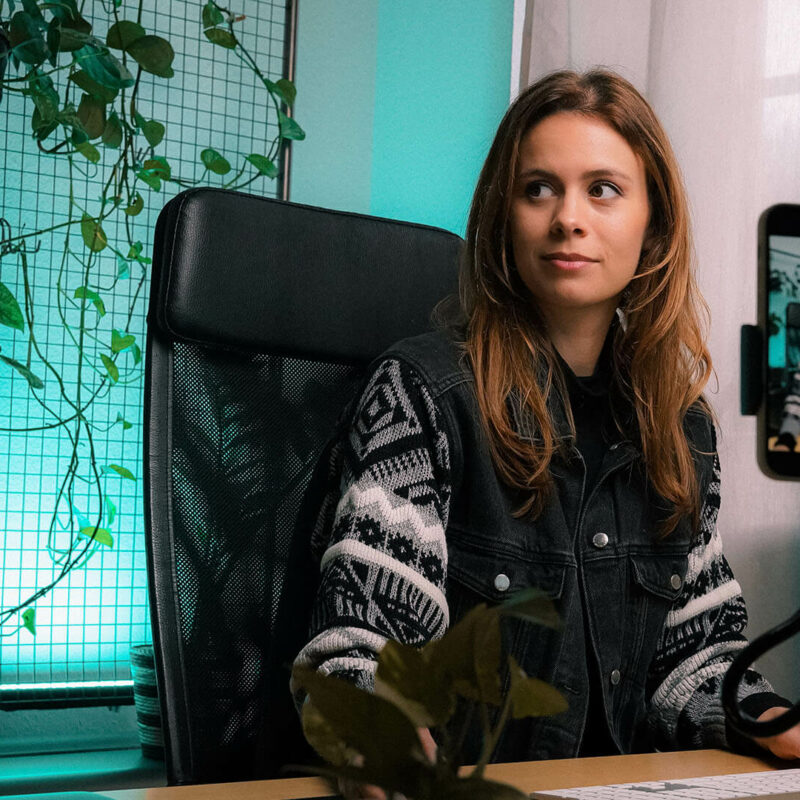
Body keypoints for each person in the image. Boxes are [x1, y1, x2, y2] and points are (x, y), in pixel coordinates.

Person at [292, 69, 800, 780]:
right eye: (539, 189)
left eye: (603, 189)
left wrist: (776, 723)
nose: (568, 217)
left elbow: (695, 657)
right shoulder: (424, 395)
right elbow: (361, 655)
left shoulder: (681, 428)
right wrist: (391, 750)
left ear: (652, 225)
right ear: (505, 218)